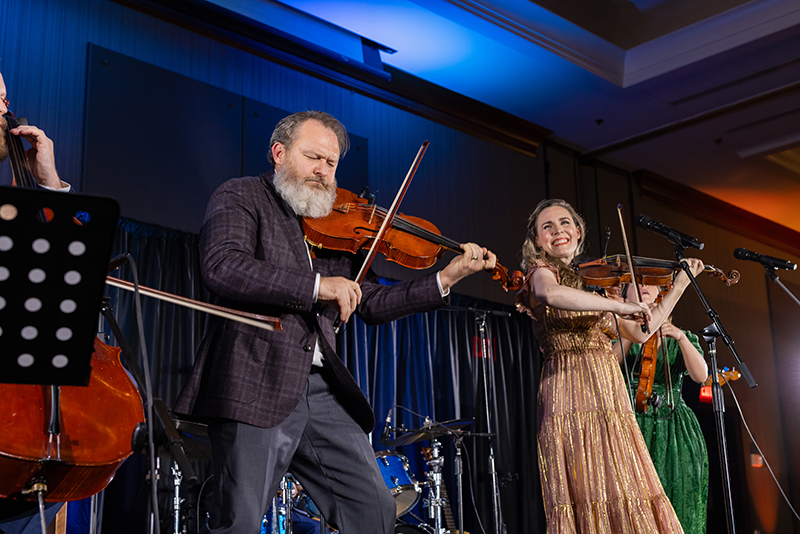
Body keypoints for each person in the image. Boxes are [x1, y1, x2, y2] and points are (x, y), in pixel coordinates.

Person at [173, 110, 497, 534]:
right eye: (313, 158)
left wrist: (444, 278)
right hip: (255, 380)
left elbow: (372, 301)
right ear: (278, 153)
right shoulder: (240, 195)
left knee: (373, 509)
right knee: (241, 522)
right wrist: (318, 286)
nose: (323, 172)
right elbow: (224, 266)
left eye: (331, 163)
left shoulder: (332, 225)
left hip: (322, 393)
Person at [514, 198, 704, 533]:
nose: (558, 230)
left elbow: (643, 332)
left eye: (564, 223)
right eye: (548, 226)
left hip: (607, 392)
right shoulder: (541, 272)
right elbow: (552, 296)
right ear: (537, 239)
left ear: (578, 231)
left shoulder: (596, 282)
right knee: (586, 486)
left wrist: (678, 287)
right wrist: (616, 306)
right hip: (569, 389)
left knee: (623, 484)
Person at [620, 284, 709, 534]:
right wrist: (630, 331)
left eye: (650, 282)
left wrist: (680, 337)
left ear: (664, 292)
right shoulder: (617, 331)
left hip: (675, 426)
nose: (643, 286)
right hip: (630, 421)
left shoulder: (682, 335)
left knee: (680, 497)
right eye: (636, 283)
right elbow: (610, 363)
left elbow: (700, 375)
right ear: (624, 295)